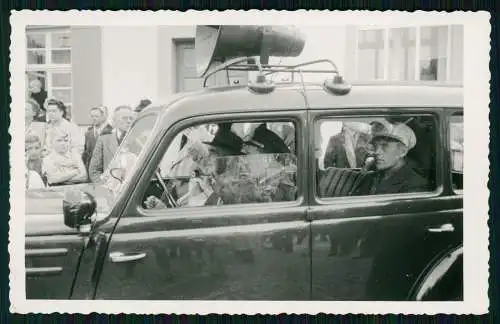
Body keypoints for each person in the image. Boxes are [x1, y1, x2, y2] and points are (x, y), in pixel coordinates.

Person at [351, 120, 429, 196]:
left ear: (403, 152)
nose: (377, 152)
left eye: (385, 146)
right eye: (375, 146)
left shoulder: (415, 184)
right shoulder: (370, 177)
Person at [88, 105, 135, 183]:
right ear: (114, 120)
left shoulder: (140, 140)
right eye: (124, 118)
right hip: (110, 189)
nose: (128, 121)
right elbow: (94, 171)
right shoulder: (104, 140)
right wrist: (104, 186)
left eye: (131, 118)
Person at [82, 106, 113, 171]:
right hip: (90, 170)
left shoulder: (110, 132)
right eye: (92, 116)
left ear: (102, 117)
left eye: (96, 116)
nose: (94, 118)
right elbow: (86, 154)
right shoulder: (88, 133)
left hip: (104, 169)